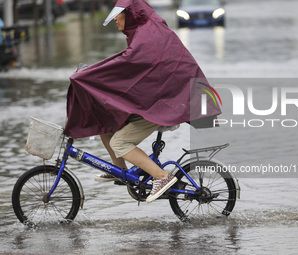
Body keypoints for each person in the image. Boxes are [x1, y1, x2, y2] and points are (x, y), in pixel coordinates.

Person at [64, 0, 221, 203]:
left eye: (117, 16)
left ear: (129, 14)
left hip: (163, 105)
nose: (115, 21)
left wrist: (88, 73)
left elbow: (126, 65)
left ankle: (162, 177)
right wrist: (90, 71)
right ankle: (120, 170)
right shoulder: (144, 31)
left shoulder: (147, 33)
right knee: (106, 125)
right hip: (158, 101)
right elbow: (128, 67)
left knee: (119, 142)